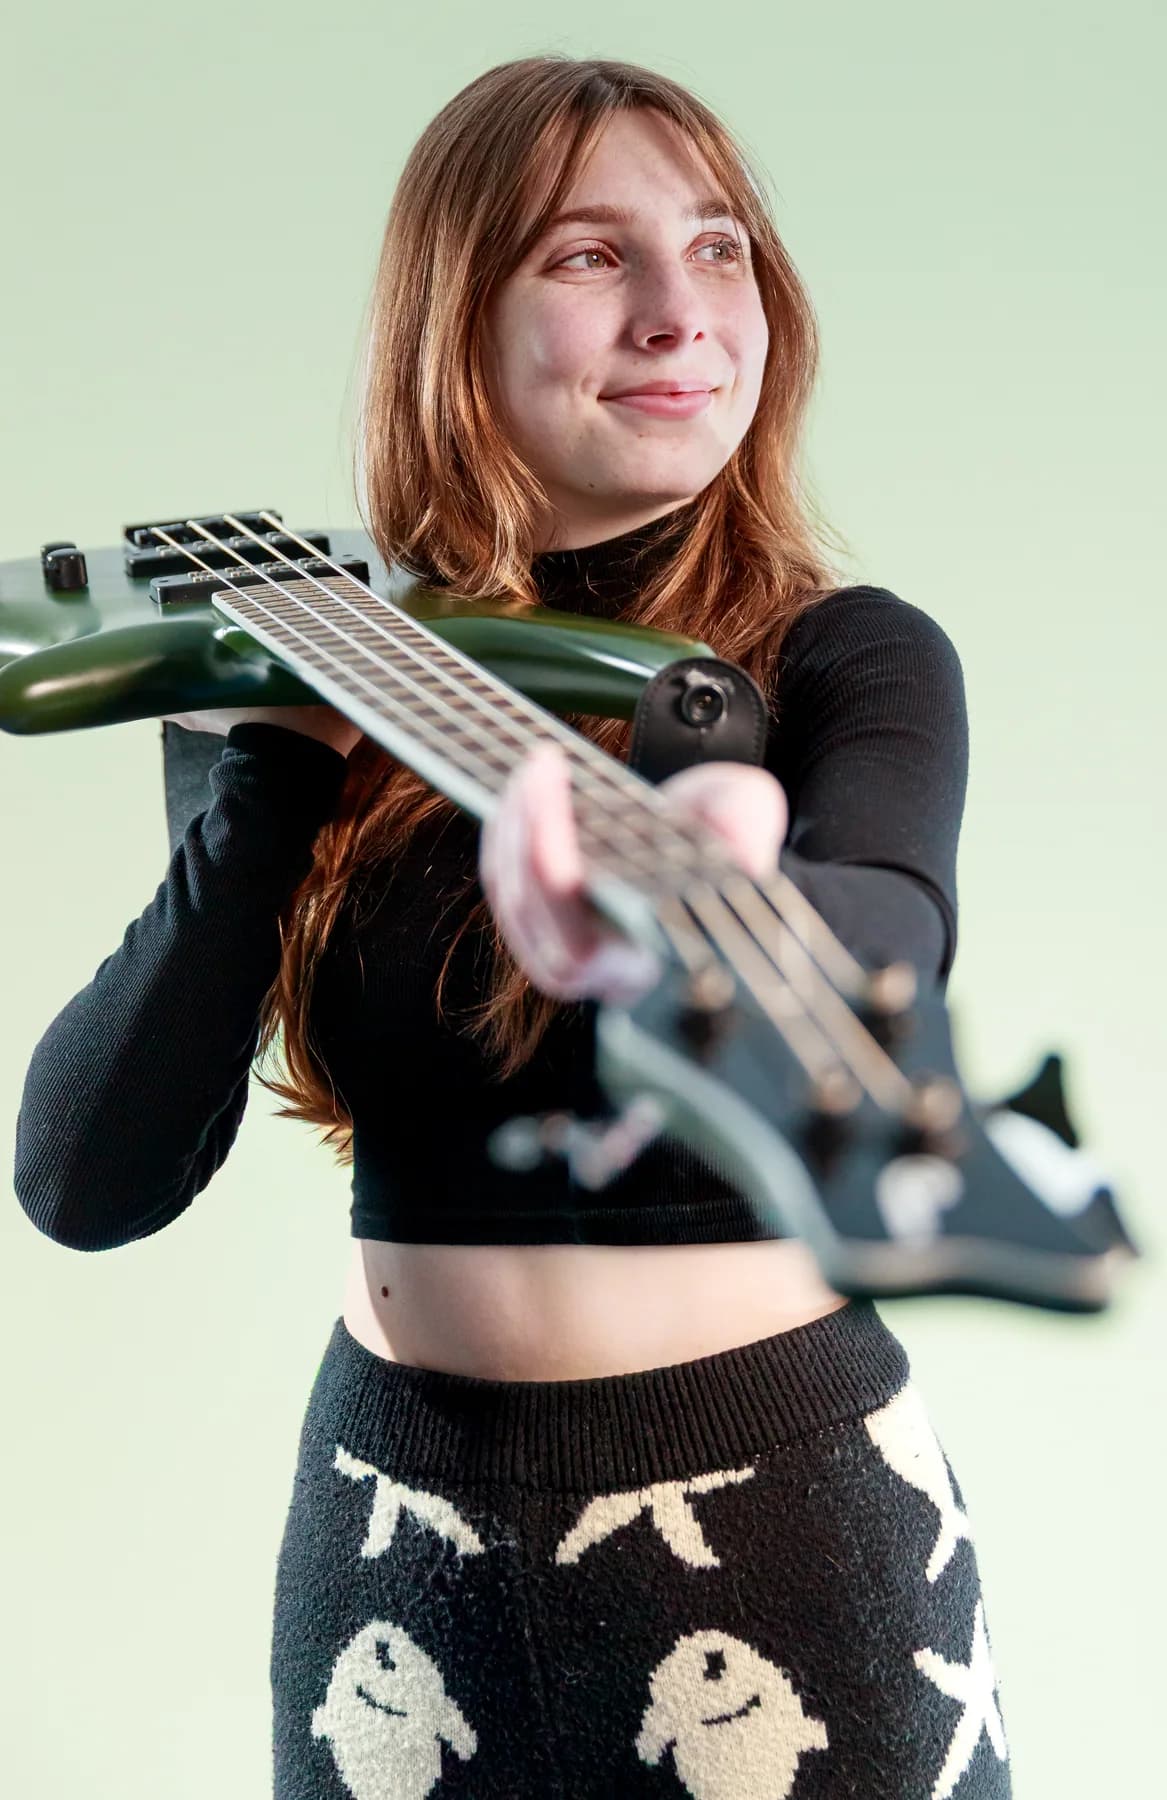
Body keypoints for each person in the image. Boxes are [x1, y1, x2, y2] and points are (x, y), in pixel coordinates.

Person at [14, 55, 1011, 1800]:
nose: (677, 312)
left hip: (772, 1535)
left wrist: (715, 885)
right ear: (452, 314)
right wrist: (268, 783)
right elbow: (87, 1179)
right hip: (394, 1534)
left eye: (719, 251)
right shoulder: (306, 647)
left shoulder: (846, 657)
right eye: (586, 256)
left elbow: (882, 940)